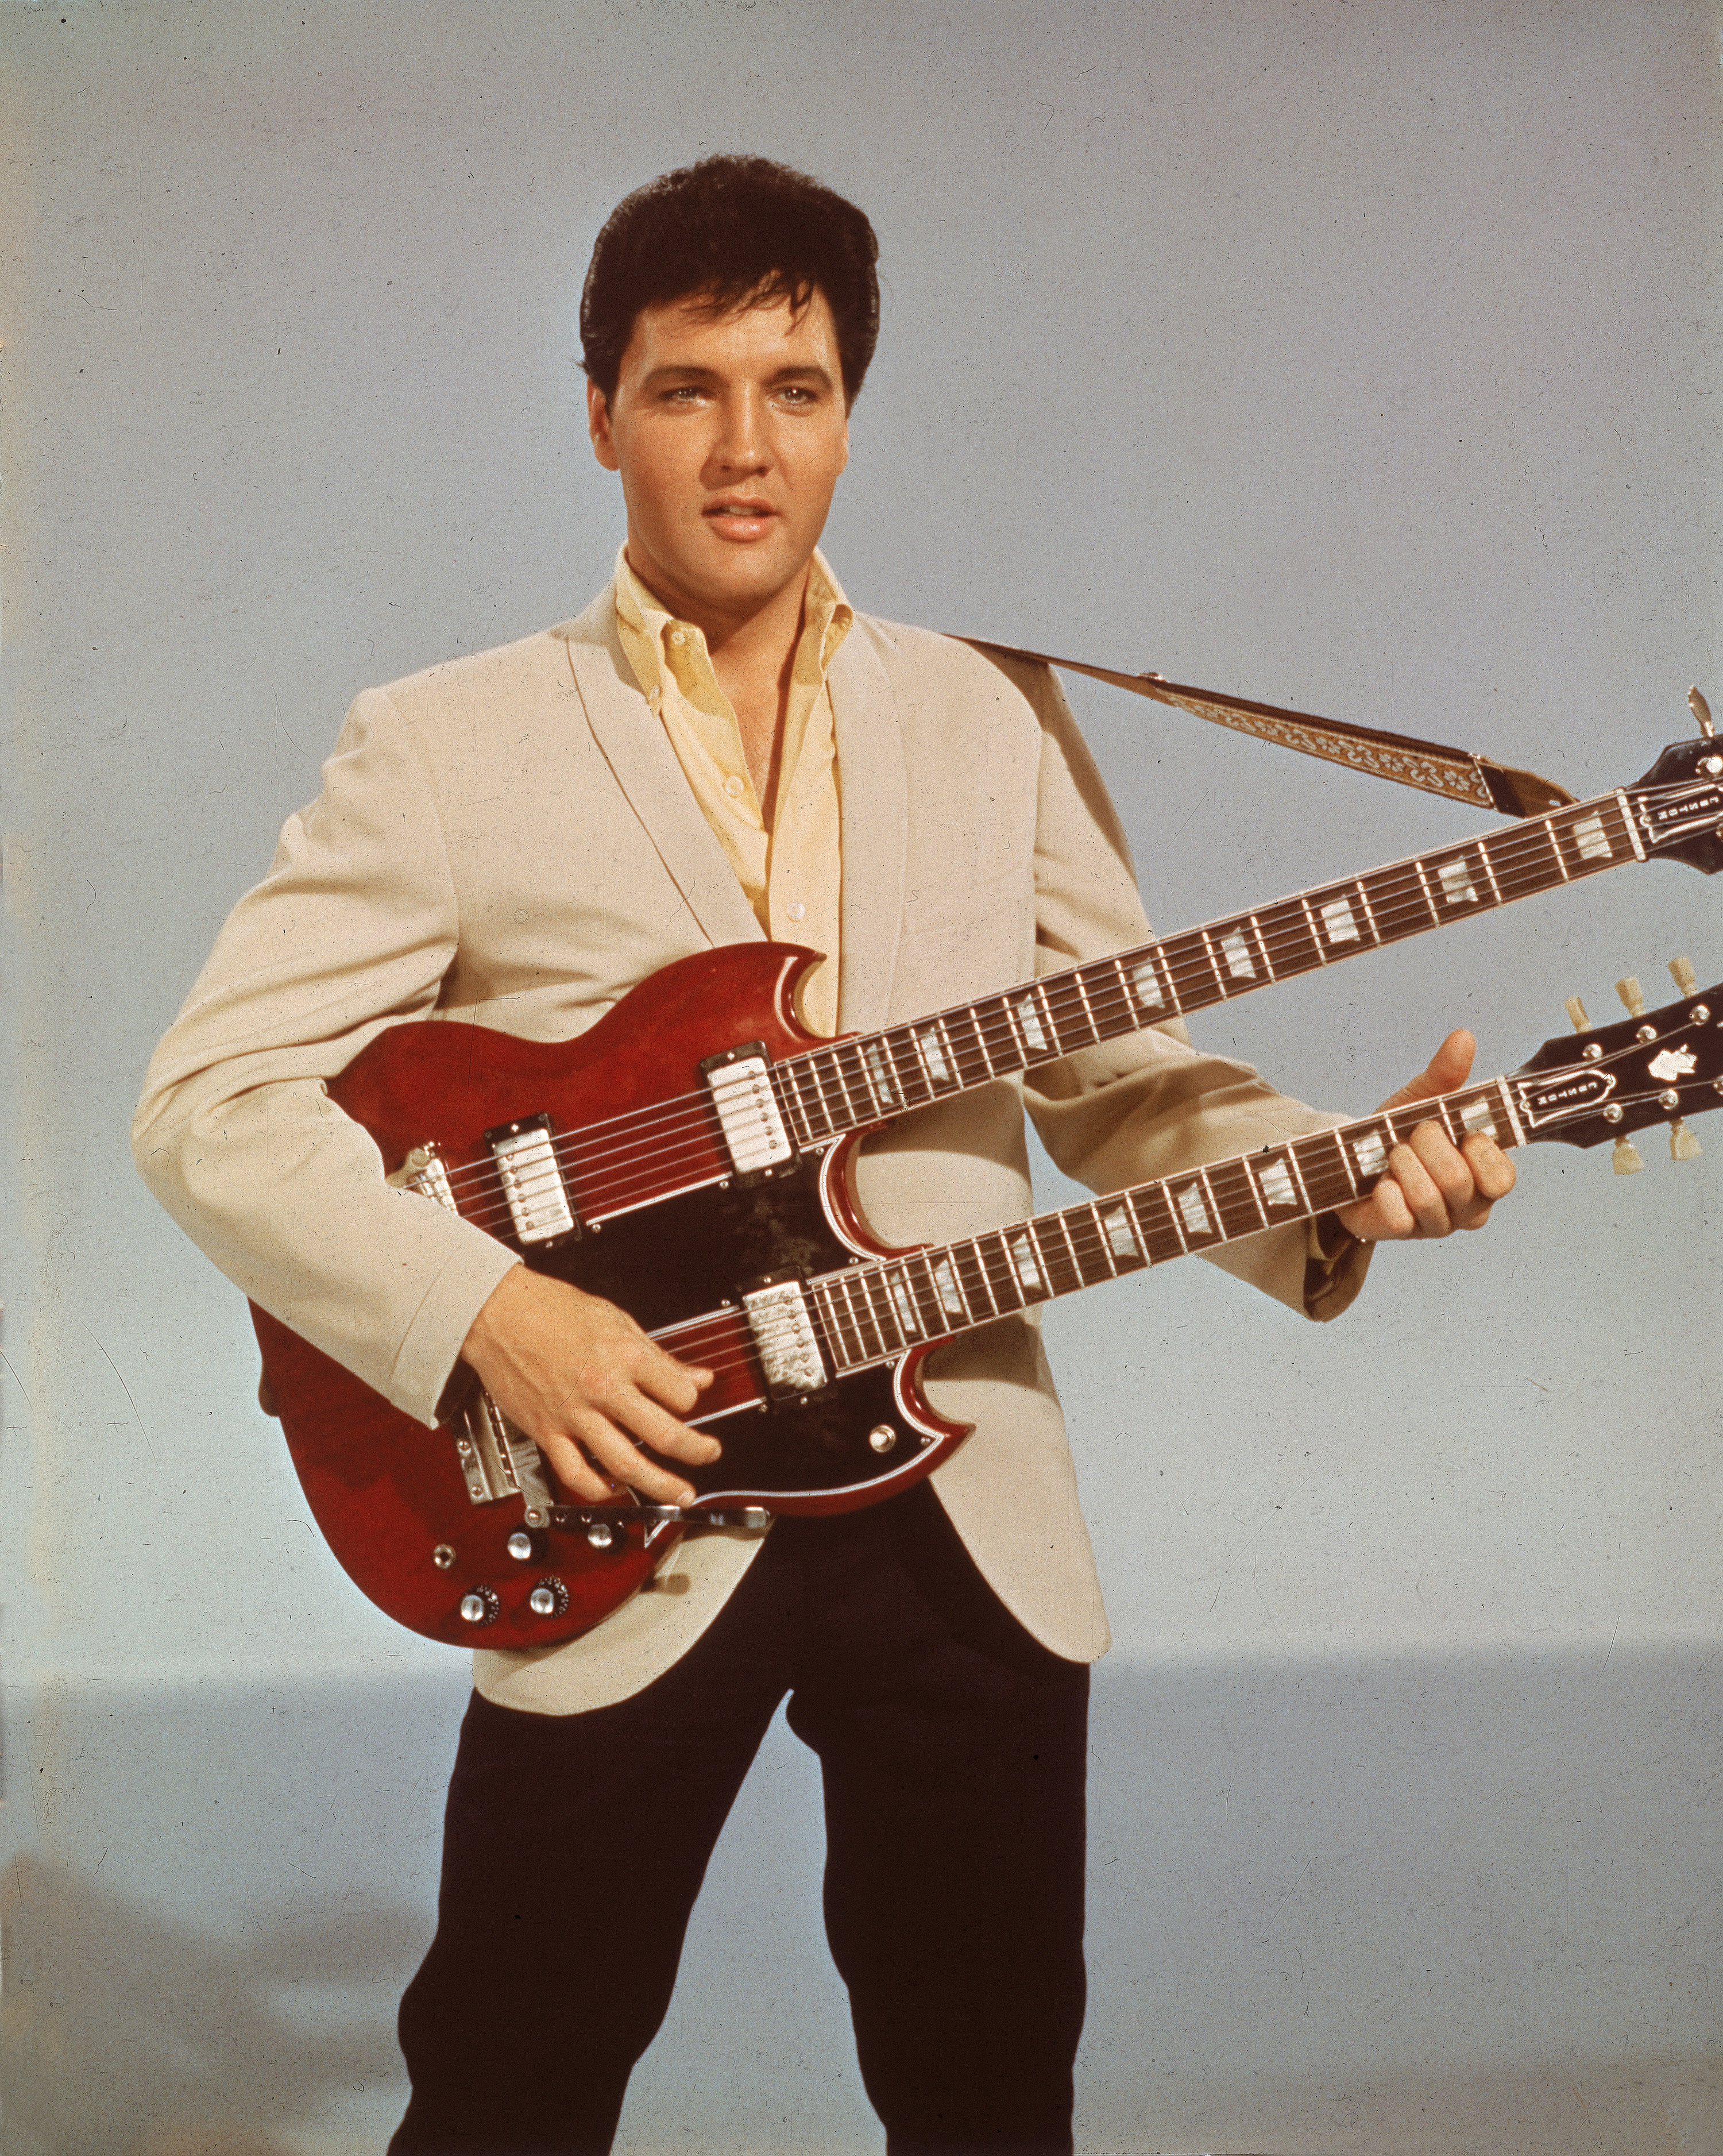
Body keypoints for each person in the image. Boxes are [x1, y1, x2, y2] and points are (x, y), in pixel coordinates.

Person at [132, 156, 1514, 2156]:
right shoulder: (443, 743)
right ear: (598, 412)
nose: (744, 448)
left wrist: (1342, 1169)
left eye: (794, 388)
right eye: (687, 389)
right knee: (512, 2090)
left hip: (965, 1505)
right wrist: (485, 1312)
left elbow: (1125, 1086)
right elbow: (211, 1102)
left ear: (852, 411)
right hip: (626, 1499)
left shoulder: (989, 718)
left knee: (987, 2101)